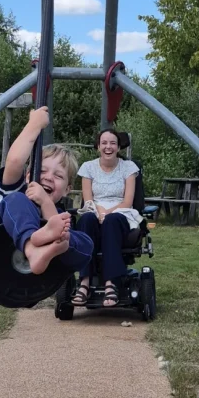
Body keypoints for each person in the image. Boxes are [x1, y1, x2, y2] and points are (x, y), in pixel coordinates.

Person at [0, 107, 94, 298]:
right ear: (28, 176)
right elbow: (15, 161)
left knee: (85, 243)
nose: (49, 178)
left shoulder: (60, 216)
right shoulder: (17, 192)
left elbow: (75, 251)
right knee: (16, 200)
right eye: (41, 171)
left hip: (26, 287)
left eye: (58, 175)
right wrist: (34, 125)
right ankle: (31, 247)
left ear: (68, 189)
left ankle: (55, 243)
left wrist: (46, 204)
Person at [72, 129, 141, 307]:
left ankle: (111, 284)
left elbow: (127, 201)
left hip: (121, 212)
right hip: (95, 209)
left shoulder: (129, 168)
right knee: (86, 219)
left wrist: (108, 213)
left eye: (112, 143)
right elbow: (88, 200)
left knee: (111, 221)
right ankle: (85, 282)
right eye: (104, 143)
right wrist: (99, 211)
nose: (108, 147)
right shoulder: (88, 167)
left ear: (118, 147)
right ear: (98, 146)